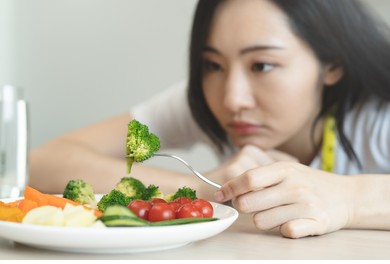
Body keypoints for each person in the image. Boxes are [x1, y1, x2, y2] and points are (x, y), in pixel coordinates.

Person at [30, 0, 390, 238]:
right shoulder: (203, 99)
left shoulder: (379, 114)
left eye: (262, 65)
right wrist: (204, 188)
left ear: (333, 64)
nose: (232, 98)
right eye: (212, 65)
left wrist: (349, 197)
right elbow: (43, 162)